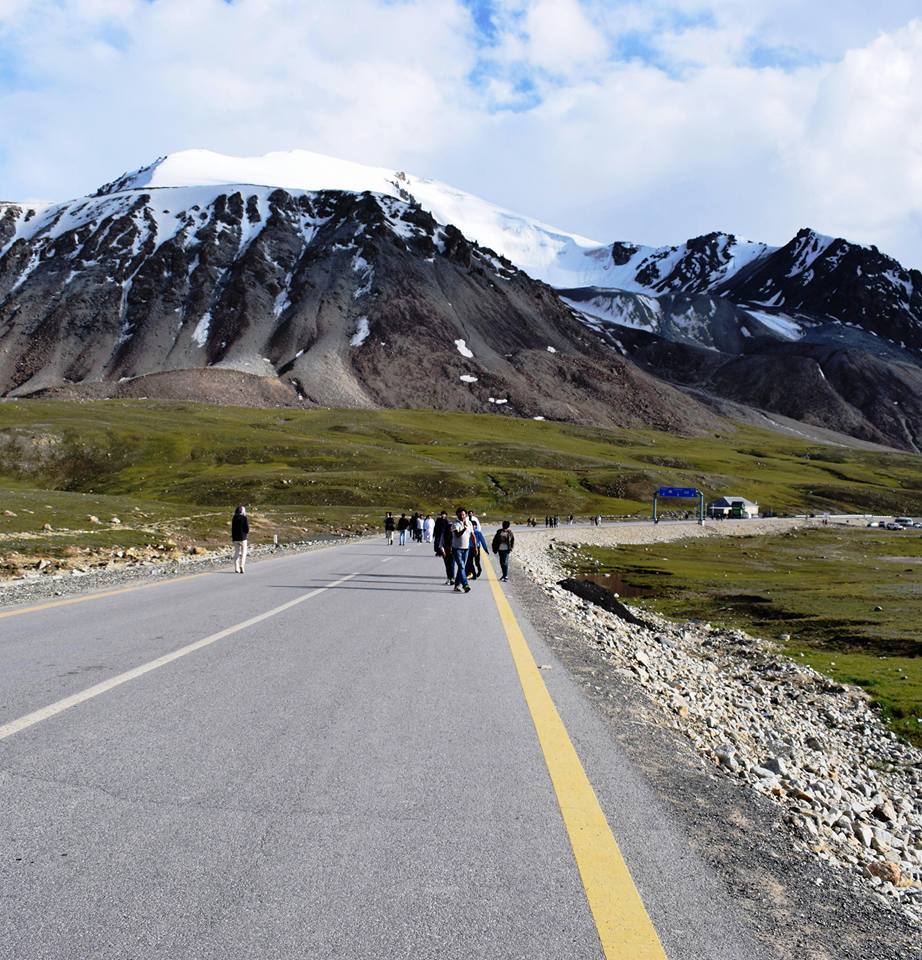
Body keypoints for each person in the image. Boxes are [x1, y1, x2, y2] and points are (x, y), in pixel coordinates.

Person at [451, 507, 473, 593]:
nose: (462, 516)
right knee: (462, 566)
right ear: (457, 515)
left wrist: (474, 546)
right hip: (457, 549)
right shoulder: (455, 524)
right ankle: (465, 585)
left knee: (461, 568)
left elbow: (472, 535)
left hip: (466, 549)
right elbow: (457, 535)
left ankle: (456, 586)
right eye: (460, 514)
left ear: (466, 515)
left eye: (463, 514)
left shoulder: (469, 523)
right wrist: (464, 528)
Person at [432, 510, 454, 584]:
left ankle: (452, 578)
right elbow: (441, 544)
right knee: (447, 565)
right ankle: (449, 578)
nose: (450, 529)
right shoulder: (439, 521)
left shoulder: (454, 535)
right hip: (445, 551)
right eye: (450, 528)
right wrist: (443, 551)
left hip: (452, 552)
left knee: (452, 565)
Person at [231, 505, 249, 574]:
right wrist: (246, 533)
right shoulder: (244, 518)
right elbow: (247, 529)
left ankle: (236, 568)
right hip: (243, 538)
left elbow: (232, 529)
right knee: (244, 552)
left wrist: (233, 537)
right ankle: (242, 566)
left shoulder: (234, 518)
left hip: (235, 538)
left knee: (236, 553)